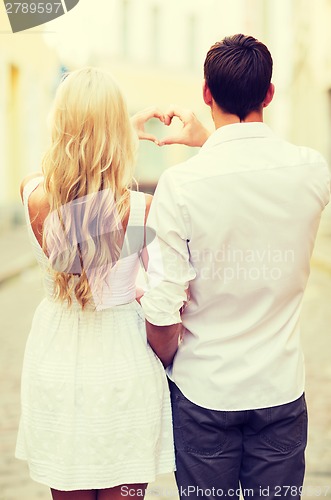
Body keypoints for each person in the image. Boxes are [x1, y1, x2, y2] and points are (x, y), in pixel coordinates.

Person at [140, 34, 331, 499]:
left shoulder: (180, 185)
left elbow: (161, 315)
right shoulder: (311, 169)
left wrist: (172, 362)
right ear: (269, 93)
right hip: (280, 392)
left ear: (206, 93)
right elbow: (252, 167)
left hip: (204, 393)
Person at [15, 67, 175, 500]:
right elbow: (166, 300)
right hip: (124, 374)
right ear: (116, 133)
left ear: (58, 125)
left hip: (56, 371)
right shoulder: (143, 210)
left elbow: (79, 192)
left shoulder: (32, 195)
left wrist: (104, 127)